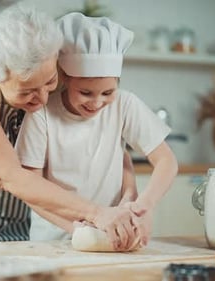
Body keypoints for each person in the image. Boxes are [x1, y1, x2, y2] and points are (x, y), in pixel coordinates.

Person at [0, 4, 142, 250]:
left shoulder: (58, 65)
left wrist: (128, 193)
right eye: (27, 91)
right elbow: (4, 174)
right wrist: (96, 213)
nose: (41, 99)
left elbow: (107, 137)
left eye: (50, 82)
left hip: (29, 209)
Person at [15, 12, 178, 244]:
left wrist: (143, 206)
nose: (97, 102)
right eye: (85, 92)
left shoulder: (125, 104)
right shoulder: (42, 114)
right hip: (53, 239)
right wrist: (76, 229)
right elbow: (31, 190)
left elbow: (166, 161)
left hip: (113, 236)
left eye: (107, 92)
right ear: (65, 77)